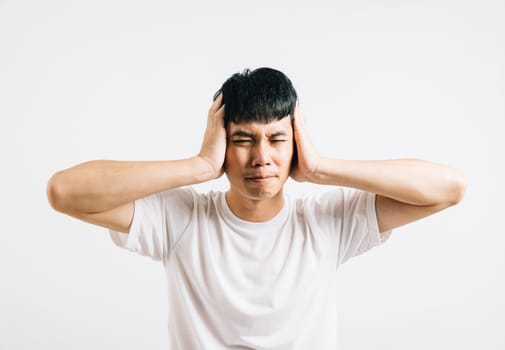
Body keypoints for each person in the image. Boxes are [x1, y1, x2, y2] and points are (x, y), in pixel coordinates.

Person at [47, 67, 466, 349]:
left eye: (277, 139)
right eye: (243, 140)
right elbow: (64, 191)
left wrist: (320, 168)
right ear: (221, 143)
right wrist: (198, 167)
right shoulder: (180, 220)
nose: (261, 157)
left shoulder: (326, 222)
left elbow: (449, 187)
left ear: (296, 144)